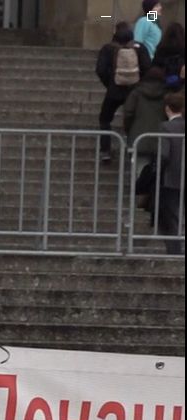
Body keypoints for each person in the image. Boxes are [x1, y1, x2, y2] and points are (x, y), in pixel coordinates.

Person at [97, 22, 151, 161]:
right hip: (134, 92)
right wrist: (138, 85)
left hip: (114, 91)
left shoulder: (108, 49)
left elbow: (100, 70)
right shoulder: (140, 47)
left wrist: (110, 83)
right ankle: (131, 147)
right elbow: (147, 68)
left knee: (105, 119)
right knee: (133, 118)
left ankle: (105, 151)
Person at [157, 91, 184, 254]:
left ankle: (175, 249)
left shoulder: (165, 127)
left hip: (172, 177)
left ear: (168, 108)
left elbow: (164, 154)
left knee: (173, 214)